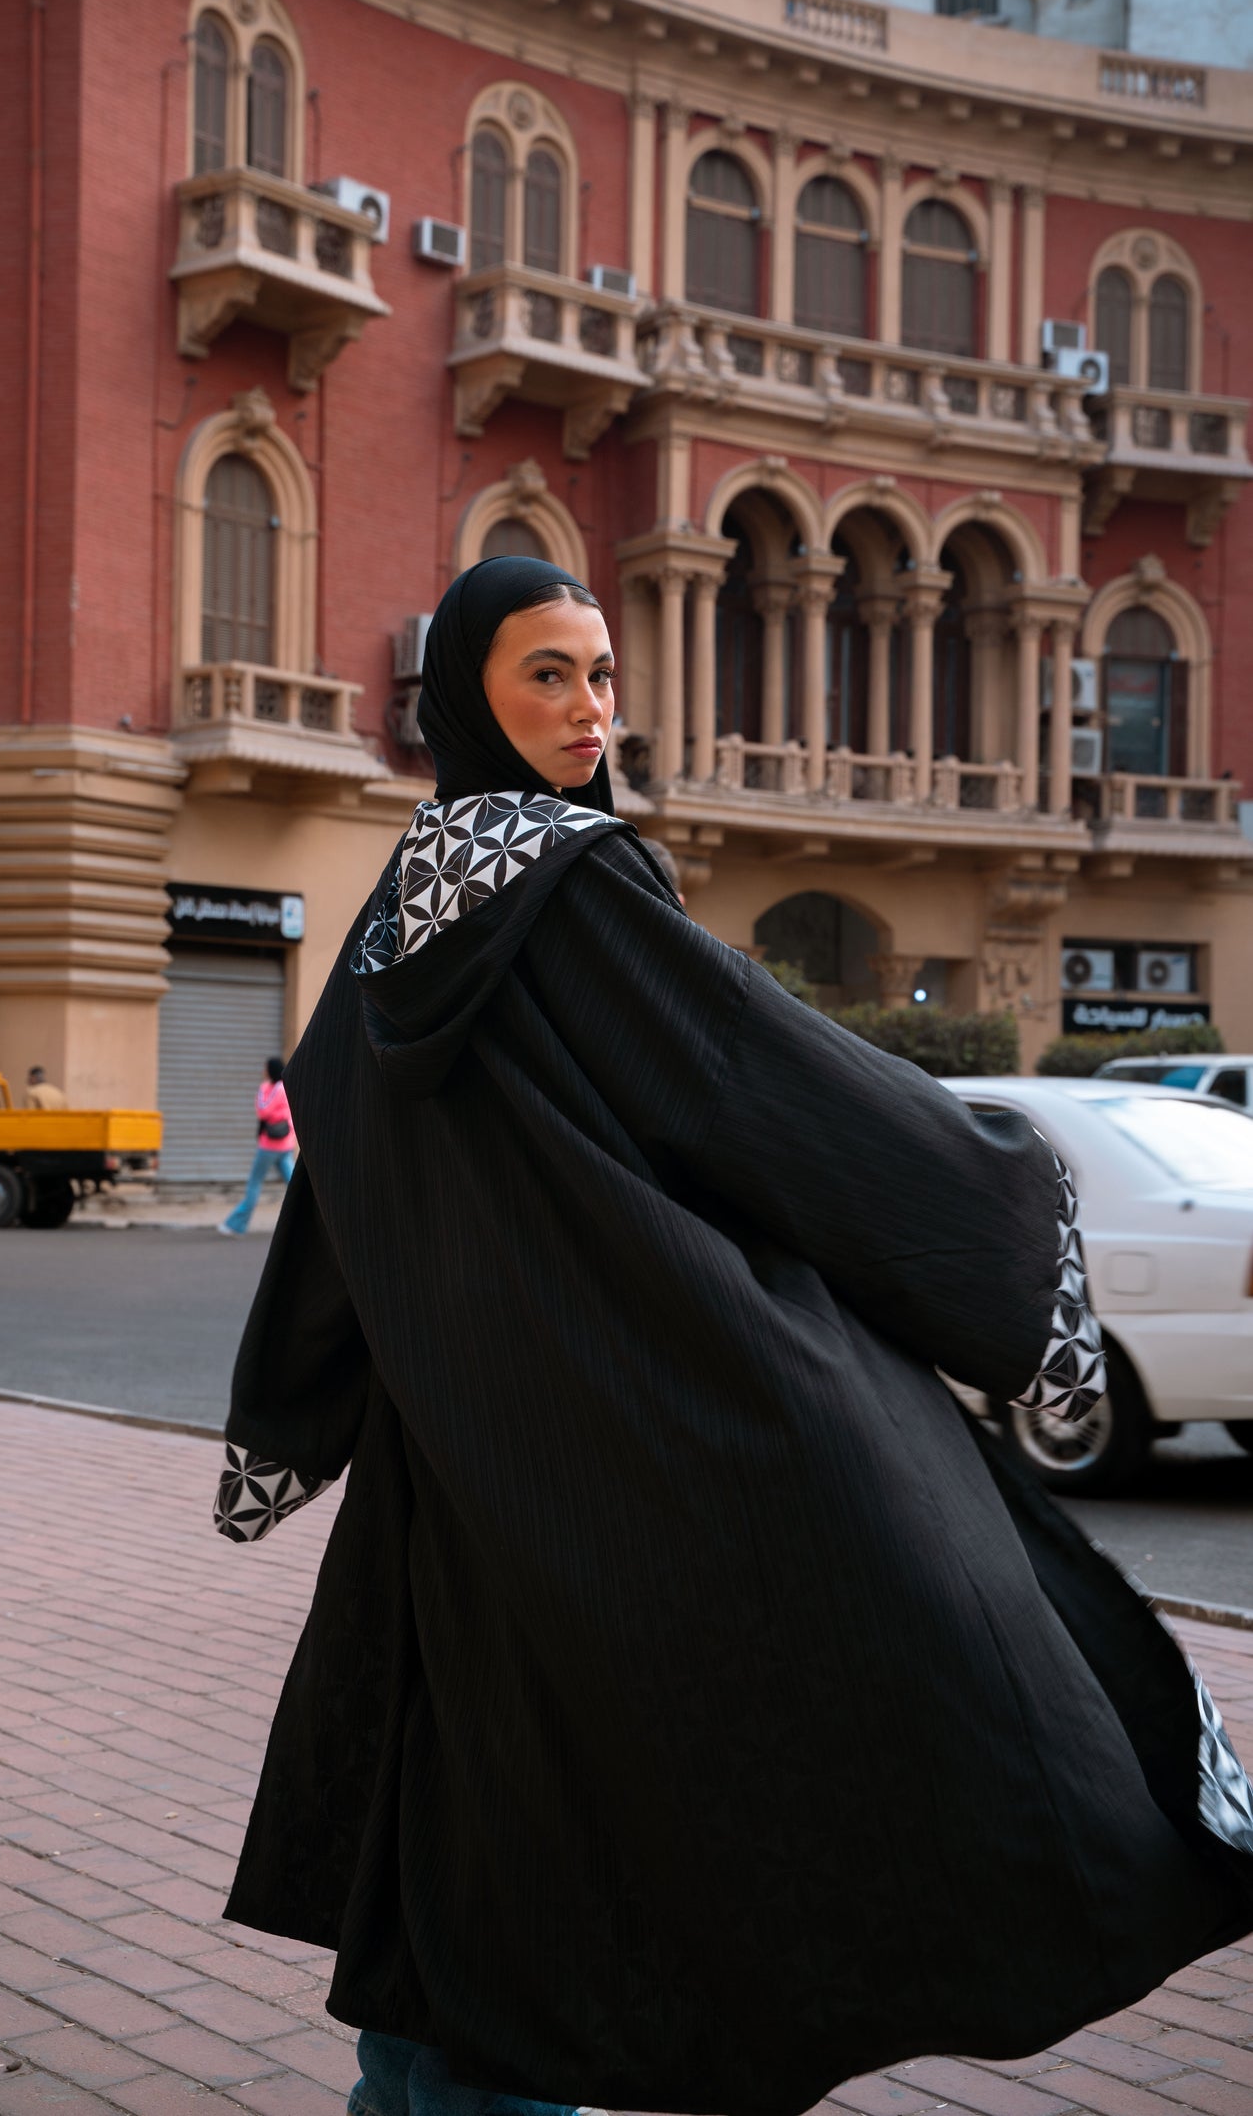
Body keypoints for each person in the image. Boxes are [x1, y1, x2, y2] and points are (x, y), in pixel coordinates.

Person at [212, 556, 1253, 2116]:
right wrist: (994, 1195)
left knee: (453, 1839)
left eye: (601, 674)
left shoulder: (393, 915)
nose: (588, 708)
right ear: (464, 695)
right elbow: (743, 1074)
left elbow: (335, 1206)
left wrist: (303, 1399)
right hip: (600, 1455)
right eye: (545, 674)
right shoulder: (569, 880)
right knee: (573, 1847)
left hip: (456, 1474)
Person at [217, 1058, 297, 1237]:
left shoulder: (277, 1089)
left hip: (270, 1146)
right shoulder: (287, 1087)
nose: (263, 1071)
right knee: (294, 1184)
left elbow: (263, 1110)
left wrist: (262, 1089)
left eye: (265, 1068)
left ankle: (237, 1224)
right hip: (285, 1145)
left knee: (254, 1183)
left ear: (271, 1070)